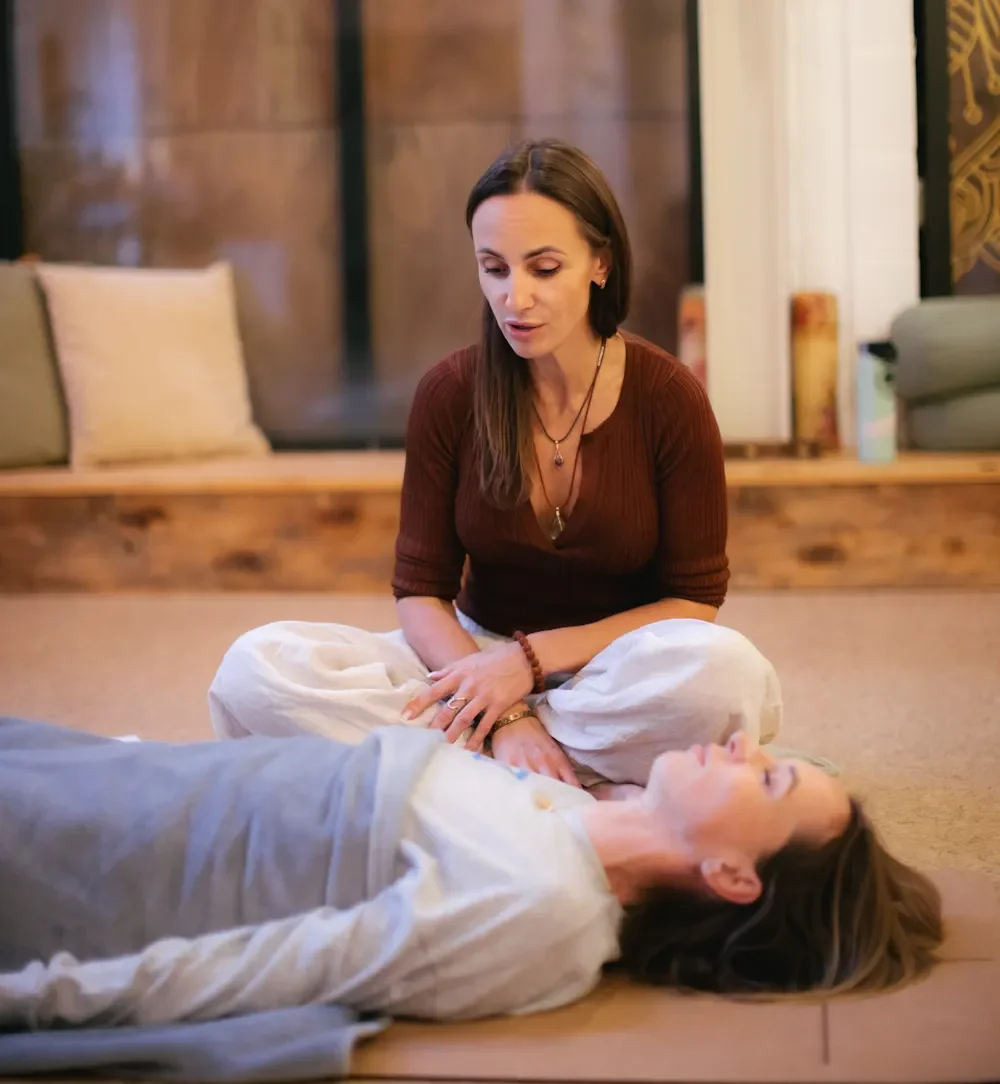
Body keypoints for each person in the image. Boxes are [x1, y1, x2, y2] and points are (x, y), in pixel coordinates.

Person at [208, 138, 783, 788]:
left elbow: (693, 601)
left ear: (599, 262)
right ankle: (549, 765)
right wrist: (507, 711)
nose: (515, 299)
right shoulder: (450, 393)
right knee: (256, 672)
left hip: (615, 670)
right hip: (472, 661)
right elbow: (422, 592)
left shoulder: (669, 398)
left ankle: (454, 776)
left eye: (543, 268)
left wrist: (529, 664)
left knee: (726, 678)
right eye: (494, 268)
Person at [0, 717, 942, 1042]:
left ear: (732, 876)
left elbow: (289, 968)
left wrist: (45, 1000)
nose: (745, 744)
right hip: (163, 788)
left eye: (767, 777)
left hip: (139, 860)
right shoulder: (569, 813)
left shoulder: (547, 912)